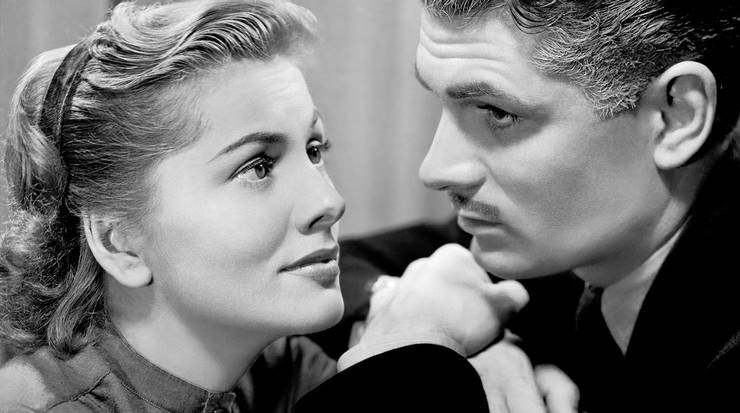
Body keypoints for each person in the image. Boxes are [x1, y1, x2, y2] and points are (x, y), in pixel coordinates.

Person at [0, 1, 528, 412]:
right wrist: (416, 347)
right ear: (122, 242)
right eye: (257, 166)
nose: (330, 202)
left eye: (315, 150)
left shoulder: (279, 365)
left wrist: (487, 358)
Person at [323, 0, 740, 411]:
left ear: (677, 117)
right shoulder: (588, 219)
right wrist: (458, 349)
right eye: (444, 103)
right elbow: (343, 269)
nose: (434, 169)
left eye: (497, 113)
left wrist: (416, 360)